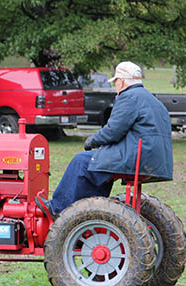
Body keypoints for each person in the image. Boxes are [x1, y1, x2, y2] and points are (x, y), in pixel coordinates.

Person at [45, 61, 173, 217]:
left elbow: (113, 131)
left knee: (81, 161)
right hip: (156, 160)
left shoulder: (129, 97)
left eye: (116, 81)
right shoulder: (154, 100)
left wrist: (92, 141)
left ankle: (57, 208)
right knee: (98, 164)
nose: (116, 86)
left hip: (136, 157)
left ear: (122, 80)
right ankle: (89, 208)